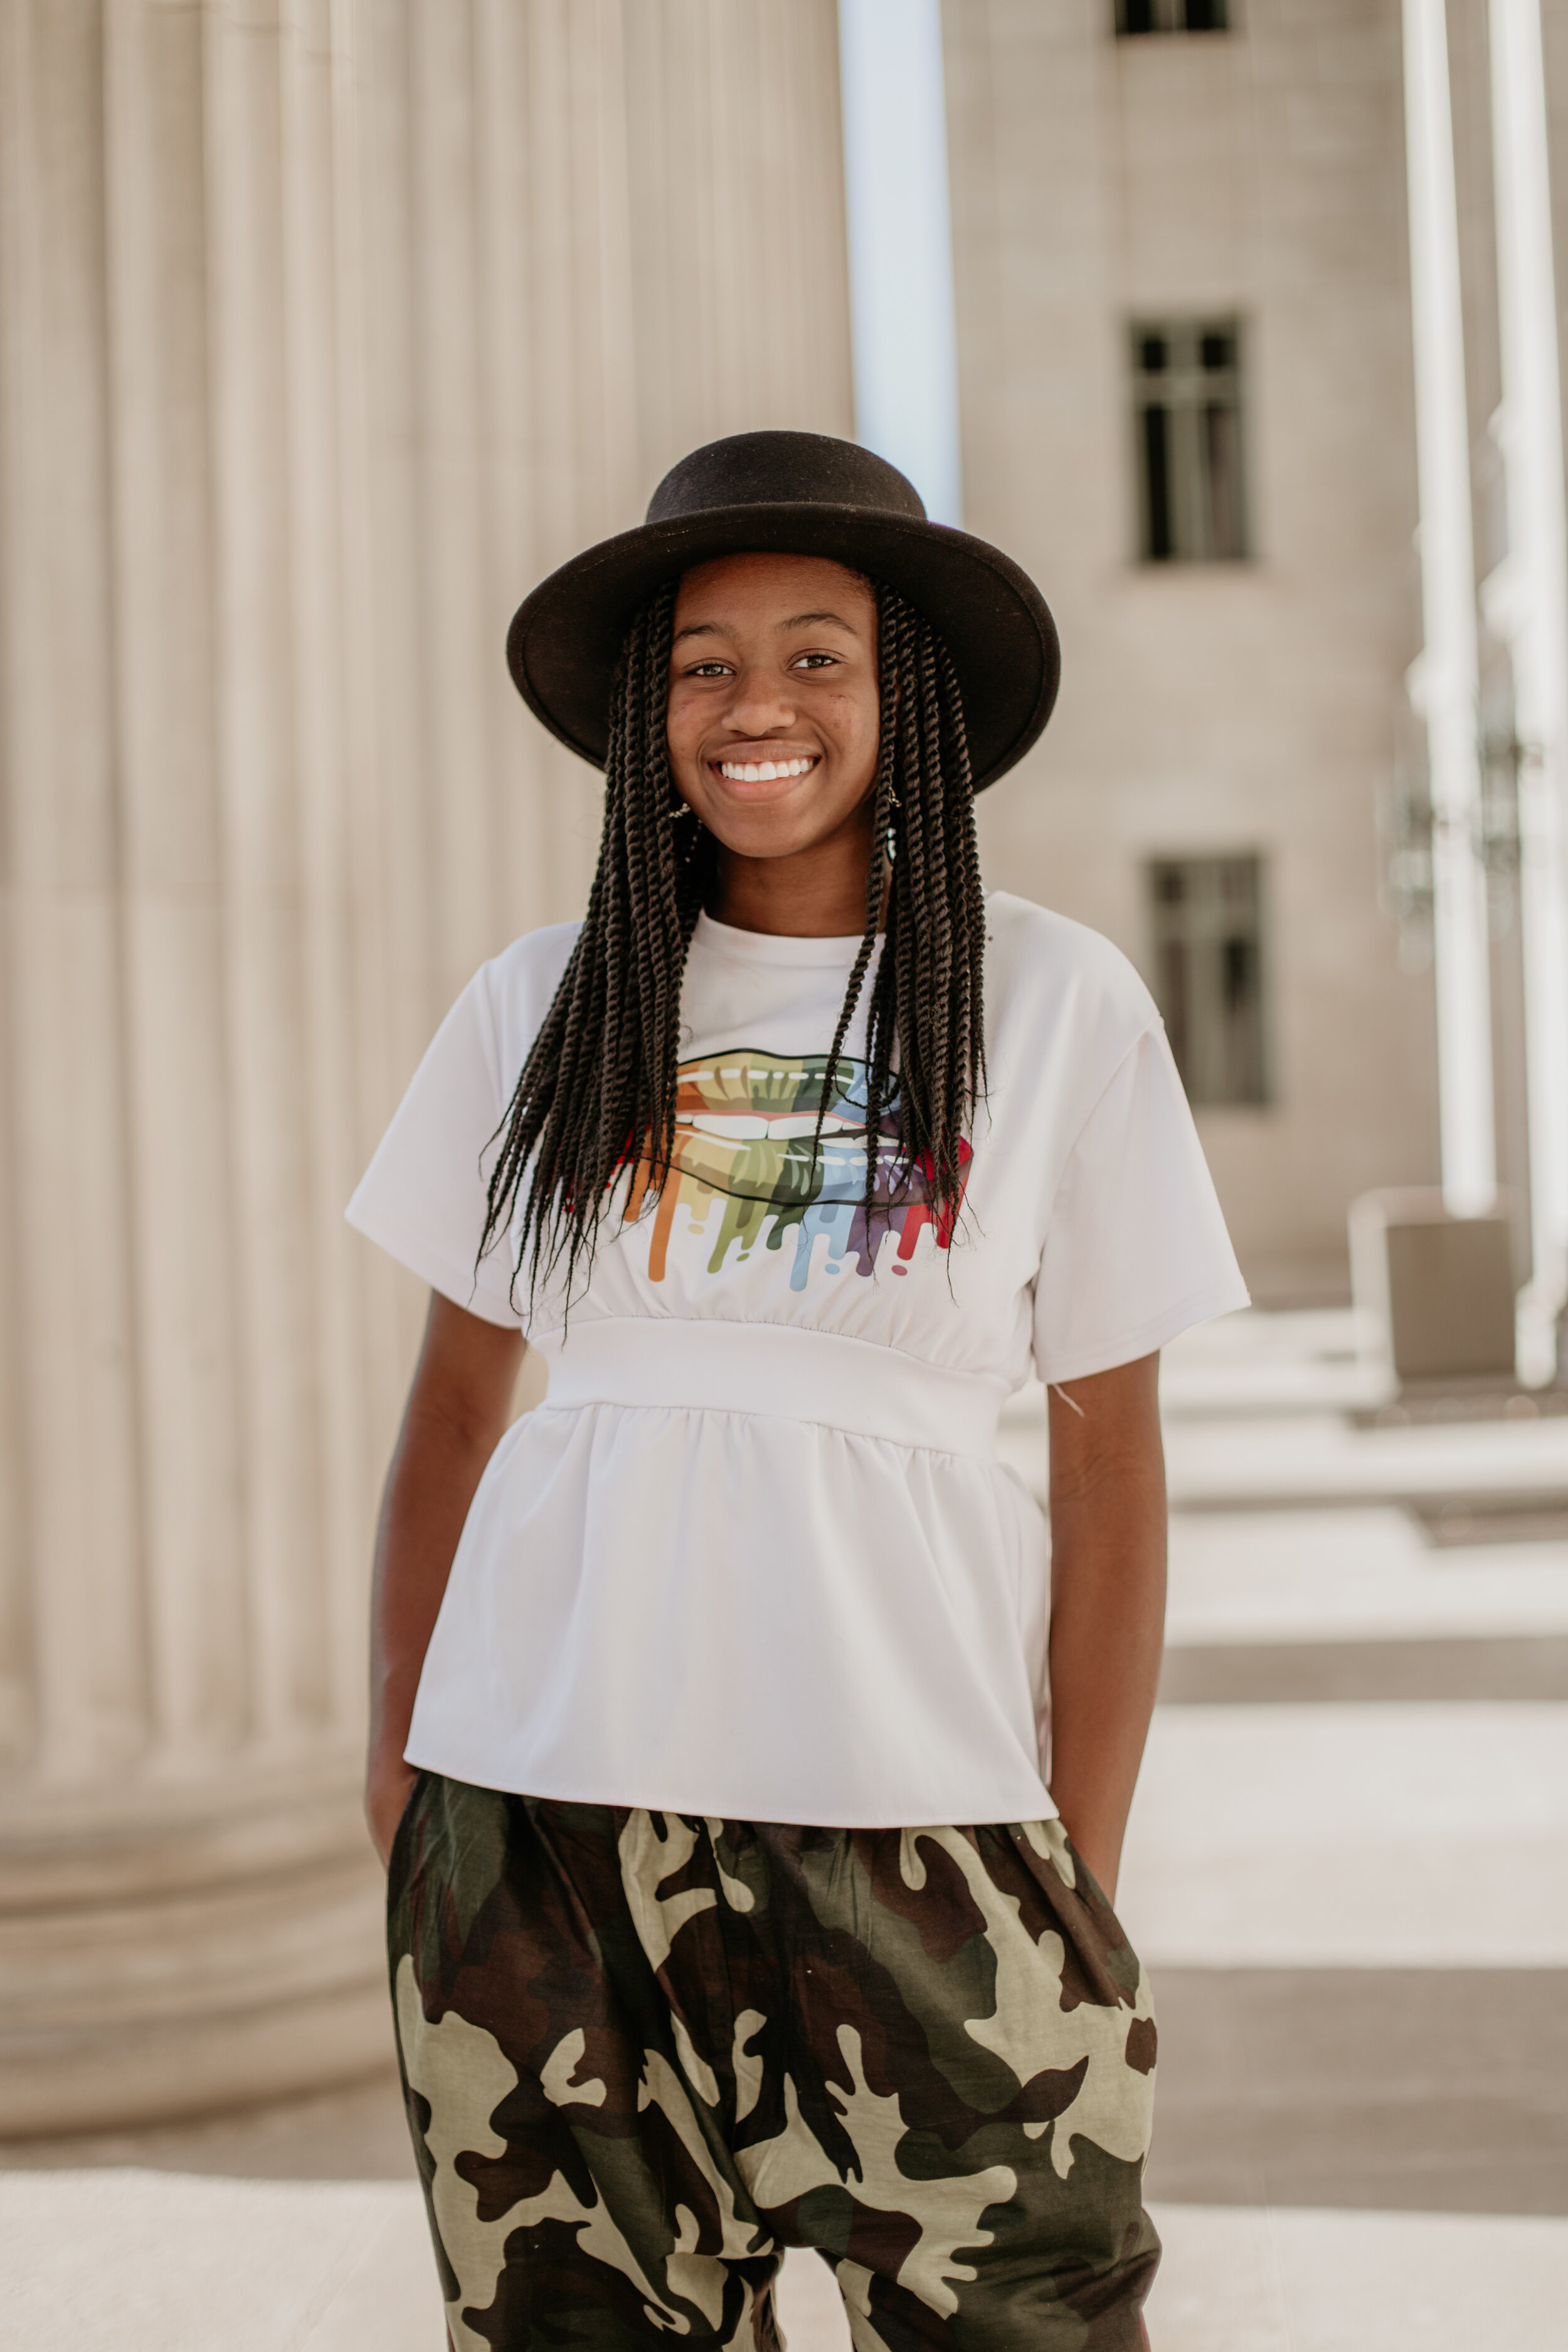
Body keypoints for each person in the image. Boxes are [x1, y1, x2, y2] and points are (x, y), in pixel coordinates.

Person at [347, 430, 1248, 2352]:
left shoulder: (1054, 1001)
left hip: (924, 1823)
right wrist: (400, 1766)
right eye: (703, 664)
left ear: (904, 692)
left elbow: (1110, 1477)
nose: (754, 706)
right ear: (645, 714)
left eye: (813, 655)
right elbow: (453, 1412)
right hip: (540, 1823)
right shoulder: (541, 1001)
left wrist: (1076, 1864)